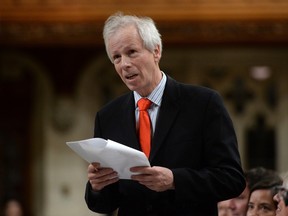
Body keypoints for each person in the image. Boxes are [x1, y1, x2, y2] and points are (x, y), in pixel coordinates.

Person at [85, 12, 245, 216]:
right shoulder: (107, 116)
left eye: (132, 52)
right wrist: (97, 187)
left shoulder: (203, 103)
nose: (124, 64)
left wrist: (175, 181)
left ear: (156, 51)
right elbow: (105, 204)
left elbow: (232, 179)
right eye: (116, 57)